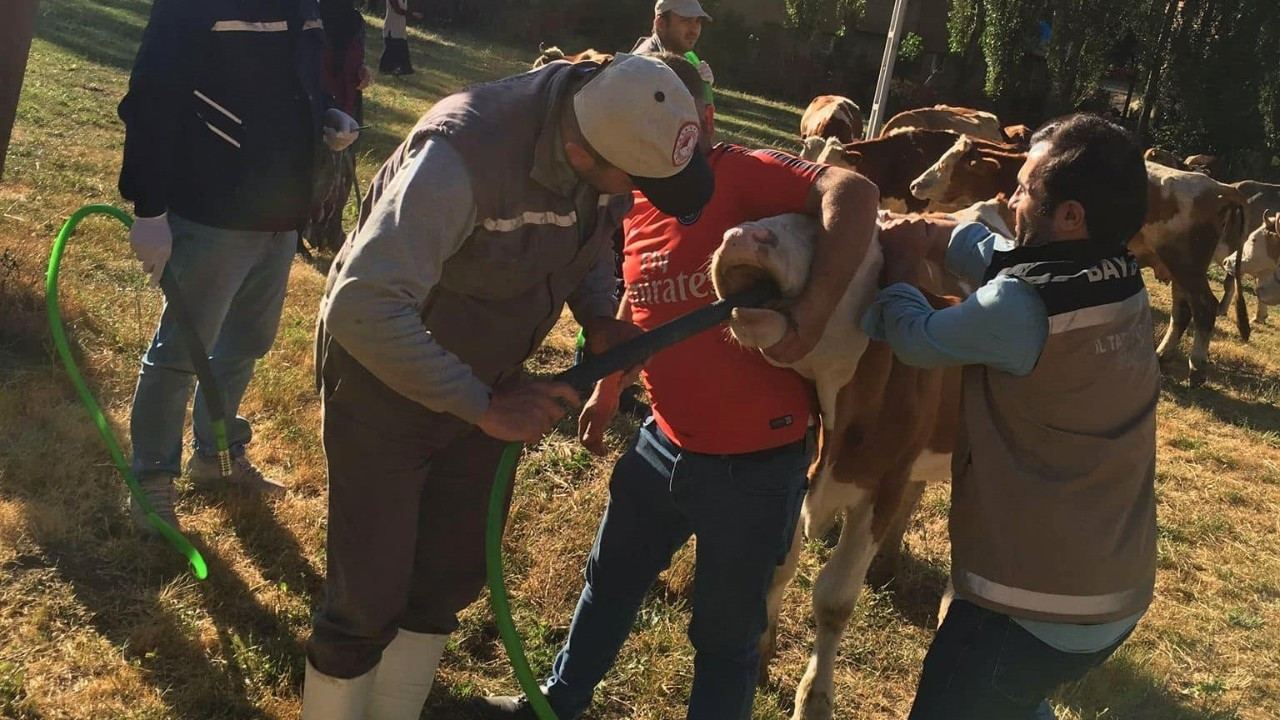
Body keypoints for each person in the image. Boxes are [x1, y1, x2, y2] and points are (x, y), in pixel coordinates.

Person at [302, 53, 715, 720]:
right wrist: (483, 407)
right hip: (385, 380)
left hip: (491, 384)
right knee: (368, 594)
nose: (635, 199)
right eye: (633, 184)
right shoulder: (463, 157)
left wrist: (598, 315)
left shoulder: (607, 136)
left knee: (447, 575)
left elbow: (582, 239)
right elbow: (363, 307)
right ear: (581, 155)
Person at [475, 53, 880, 720]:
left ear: (703, 122)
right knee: (608, 583)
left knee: (724, 638)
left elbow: (855, 194)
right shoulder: (643, 197)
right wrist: (609, 394)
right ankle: (558, 701)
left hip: (754, 465)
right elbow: (643, 298)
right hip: (663, 442)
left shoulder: (741, 175)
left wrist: (810, 314)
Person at [862, 114, 1158, 720]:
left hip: (1031, 606)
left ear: (1071, 216)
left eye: (1024, 188)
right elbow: (1003, 257)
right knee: (1011, 704)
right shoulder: (1119, 278)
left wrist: (898, 263)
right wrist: (931, 231)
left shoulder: (1022, 309)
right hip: (1114, 587)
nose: (1009, 198)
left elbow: (917, 338)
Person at [118, 0, 360, 533]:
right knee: (182, 352)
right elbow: (152, 99)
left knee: (246, 343)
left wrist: (325, 116)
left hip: (279, 211)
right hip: (213, 208)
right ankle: (152, 479)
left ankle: (214, 455)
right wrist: (149, 208)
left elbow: (288, 83)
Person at [305, 0, 373, 252]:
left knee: (342, 174)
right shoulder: (310, 14)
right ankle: (301, 231)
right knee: (312, 172)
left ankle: (331, 231)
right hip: (316, 104)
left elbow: (357, 60)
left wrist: (363, 73)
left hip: (347, 104)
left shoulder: (356, 22)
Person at [633, 0, 715, 91]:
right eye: (686, 19)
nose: (694, 29)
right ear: (660, 23)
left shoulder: (681, 57)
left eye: (698, 21)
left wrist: (700, 87)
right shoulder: (645, 67)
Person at [379, 0, 420, 76]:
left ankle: (404, 69)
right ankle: (385, 69)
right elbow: (397, 10)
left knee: (402, 49)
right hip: (391, 27)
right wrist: (412, 14)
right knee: (390, 49)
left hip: (399, 28)